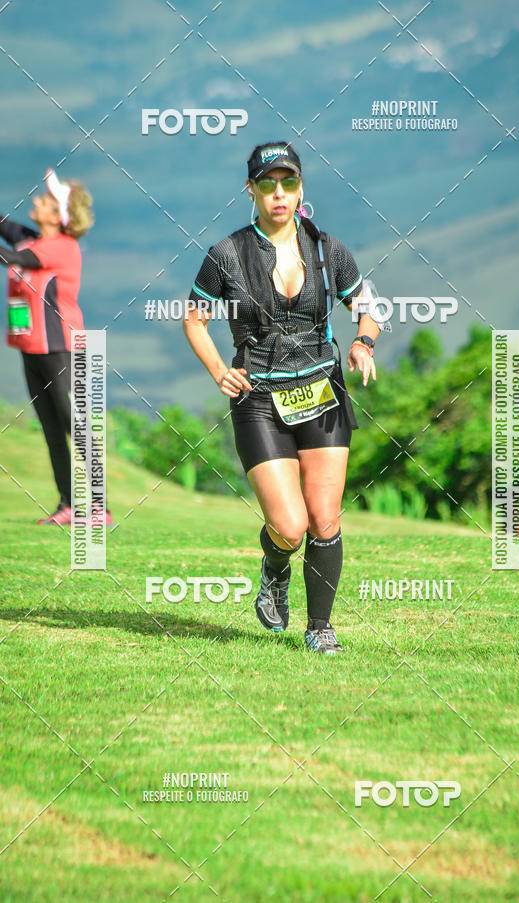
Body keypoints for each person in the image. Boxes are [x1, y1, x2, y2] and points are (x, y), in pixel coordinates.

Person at [183, 141, 380, 654]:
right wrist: (217, 370)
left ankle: (320, 627)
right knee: (290, 526)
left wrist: (362, 341)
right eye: (267, 184)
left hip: (323, 391)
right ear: (250, 189)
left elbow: (369, 305)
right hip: (259, 399)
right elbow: (194, 318)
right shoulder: (225, 254)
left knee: (325, 517)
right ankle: (274, 566)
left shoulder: (327, 249)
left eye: (288, 183)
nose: (278, 194)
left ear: (300, 189)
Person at [1, 168, 112, 526]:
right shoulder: (30, 239)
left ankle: (99, 508)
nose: (36, 200)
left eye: (46, 200)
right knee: (51, 429)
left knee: (74, 425)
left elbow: (13, 259)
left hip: (61, 349)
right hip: (31, 349)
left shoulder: (63, 248)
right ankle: (68, 504)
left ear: (59, 216)